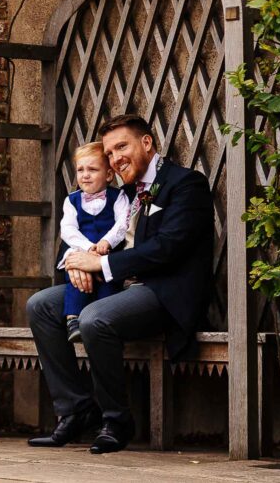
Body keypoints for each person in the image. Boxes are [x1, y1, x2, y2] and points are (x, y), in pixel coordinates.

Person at [26, 114, 212, 454]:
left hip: (162, 291)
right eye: (109, 153)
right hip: (113, 284)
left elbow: (167, 248)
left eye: (121, 147)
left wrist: (100, 264)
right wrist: (77, 265)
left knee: (95, 318)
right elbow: (93, 235)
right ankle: (75, 409)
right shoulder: (123, 192)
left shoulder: (186, 184)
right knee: (40, 306)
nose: (115, 158)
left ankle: (116, 419)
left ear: (146, 143)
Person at [57, 142, 129, 343]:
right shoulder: (71, 200)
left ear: (108, 175)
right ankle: (73, 320)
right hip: (83, 252)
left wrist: (107, 241)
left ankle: (105, 322)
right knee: (75, 283)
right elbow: (68, 230)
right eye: (80, 170)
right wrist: (87, 248)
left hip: (108, 256)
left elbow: (123, 224)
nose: (85, 175)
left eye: (92, 169)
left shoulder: (118, 197)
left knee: (108, 286)